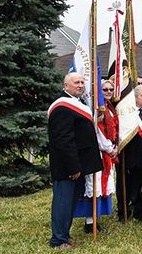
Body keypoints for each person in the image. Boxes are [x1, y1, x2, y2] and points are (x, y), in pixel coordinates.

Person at [47, 73, 102, 249]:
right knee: (63, 203)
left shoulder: (79, 103)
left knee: (70, 203)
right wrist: (73, 167)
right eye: (76, 82)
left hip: (78, 165)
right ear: (66, 86)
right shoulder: (62, 107)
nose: (80, 85)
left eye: (82, 82)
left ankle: (64, 235)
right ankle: (58, 240)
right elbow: (63, 140)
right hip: (67, 167)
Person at [74, 79, 119, 233]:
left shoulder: (110, 107)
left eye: (110, 89)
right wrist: (109, 148)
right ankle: (89, 222)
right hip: (98, 152)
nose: (108, 92)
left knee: (103, 186)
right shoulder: (97, 109)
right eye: (104, 89)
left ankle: (96, 218)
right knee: (94, 185)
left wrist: (115, 146)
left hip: (109, 151)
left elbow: (114, 129)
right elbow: (97, 132)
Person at [118, 85, 142, 221]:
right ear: (135, 98)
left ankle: (139, 212)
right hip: (128, 156)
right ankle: (123, 212)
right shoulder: (127, 114)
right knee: (125, 185)